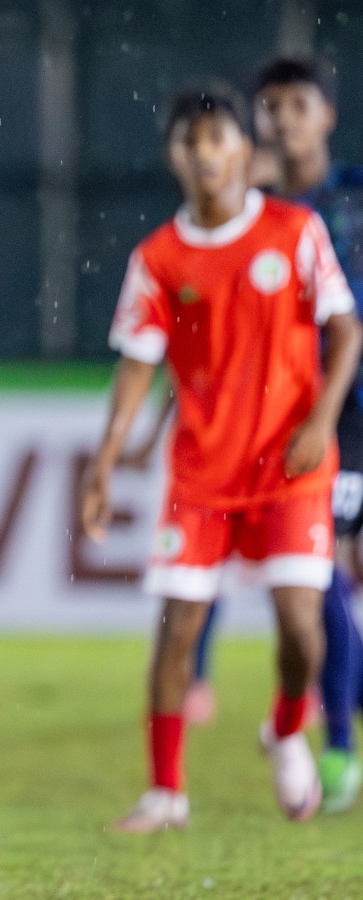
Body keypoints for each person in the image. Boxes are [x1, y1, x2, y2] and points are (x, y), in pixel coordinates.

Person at [81, 87, 361, 832]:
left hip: (292, 466)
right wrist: (103, 462)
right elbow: (137, 367)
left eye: (216, 138)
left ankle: (283, 727)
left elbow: (346, 331)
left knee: (301, 626)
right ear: (174, 156)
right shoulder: (157, 258)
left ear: (244, 150)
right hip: (202, 474)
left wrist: (320, 420)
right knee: (177, 629)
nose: (204, 152)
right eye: (189, 141)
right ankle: (166, 791)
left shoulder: (295, 231)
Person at [252, 57, 363, 811]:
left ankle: (337, 742)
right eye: (271, 105)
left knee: (330, 575)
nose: (283, 117)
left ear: (325, 114)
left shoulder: (353, 194)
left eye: (297, 103)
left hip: (350, 408)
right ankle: (331, 738)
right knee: (315, 574)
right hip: (284, 410)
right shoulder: (250, 207)